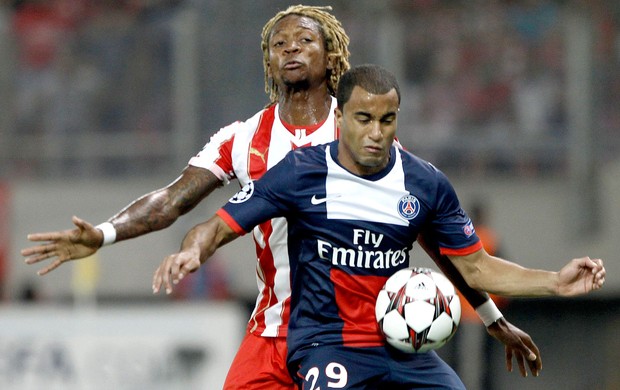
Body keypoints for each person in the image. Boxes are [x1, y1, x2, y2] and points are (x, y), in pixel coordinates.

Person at [23, 6, 542, 388]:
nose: (290, 48)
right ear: (268, 62)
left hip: (357, 336)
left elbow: (432, 236)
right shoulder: (242, 138)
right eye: (279, 44)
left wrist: (493, 319)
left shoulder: (363, 138)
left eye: (304, 40)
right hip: (272, 332)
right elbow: (172, 201)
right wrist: (106, 233)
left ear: (331, 54)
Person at [152, 64, 606, 389]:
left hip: (404, 349)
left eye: (387, 120)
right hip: (327, 345)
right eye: (364, 119)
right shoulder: (300, 172)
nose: (376, 132)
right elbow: (218, 224)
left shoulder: (425, 183)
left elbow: (475, 268)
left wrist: (554, 282)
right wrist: (194, 251)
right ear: (340, 118)